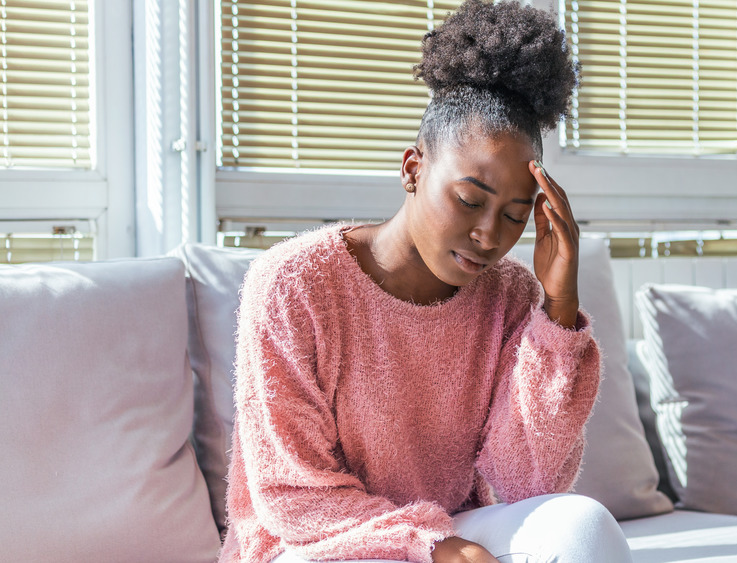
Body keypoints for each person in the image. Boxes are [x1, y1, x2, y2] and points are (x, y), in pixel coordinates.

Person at [217, 1, 632, 562]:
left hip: (454, 531)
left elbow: (526, 484)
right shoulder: (294, 285)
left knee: (583, 526)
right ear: (413, 169)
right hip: (320, 545)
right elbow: (294, 496)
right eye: (468, 200)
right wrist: (433, 546)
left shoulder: (510, 296)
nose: (488, 234)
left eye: (514, 215)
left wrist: (557, 309)